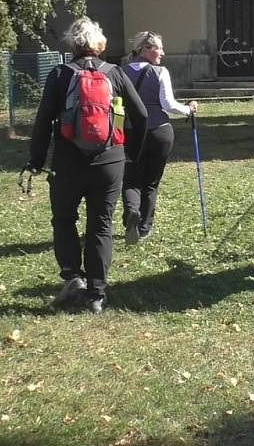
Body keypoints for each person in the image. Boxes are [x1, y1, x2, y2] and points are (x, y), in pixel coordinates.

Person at [28, 17, 147, 313]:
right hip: (110, 162)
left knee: (64, 220)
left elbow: (43, 122)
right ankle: (96, 294)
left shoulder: (59, 74)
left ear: (72, 45)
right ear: (100, 44)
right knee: (101, 226)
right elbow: (141, 115)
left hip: (68, 162)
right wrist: (128, 151)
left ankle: (72, 277)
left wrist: (36, 160)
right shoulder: (116, 74)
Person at [121, 31, 198, 244]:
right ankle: (144, 228)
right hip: (159, 131)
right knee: (151, 182)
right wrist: (188, 110)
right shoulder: (159, 72)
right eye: (158, 48)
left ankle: (131, 212)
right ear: (145, 49)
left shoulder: (120, 72)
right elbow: (167, 104)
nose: (162, 53)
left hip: (131, 132)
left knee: (131, 179)